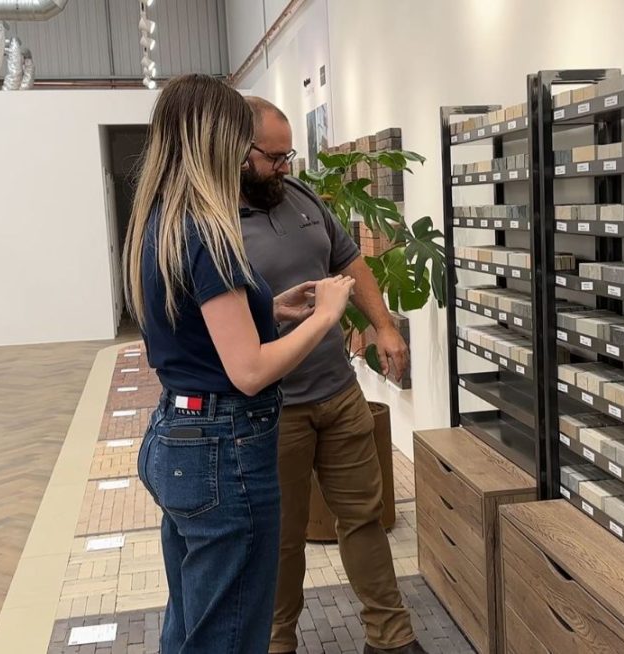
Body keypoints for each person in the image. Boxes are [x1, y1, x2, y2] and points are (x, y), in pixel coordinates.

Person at [123, 74, 356, 654]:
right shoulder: (210, 232)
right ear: (218, 141)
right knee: (228, 634)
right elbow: (248, 371)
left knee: (194, 624)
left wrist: (272, 309)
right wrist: (327, 315)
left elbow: (196, 334)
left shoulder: (164, 222)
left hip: (179, 434)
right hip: (223, 446)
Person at [240, 97, 425, 654]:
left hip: (338, 391)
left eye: (288, 153)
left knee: (364, 518)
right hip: (274, 408)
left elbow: (350, 261)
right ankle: (278, 643)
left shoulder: (299, 197)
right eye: (273, 157)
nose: (285, 167)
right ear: (236, 151)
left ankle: (390, 640)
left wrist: (384, 327)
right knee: (281, 538)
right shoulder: (213, 221)